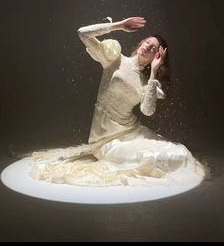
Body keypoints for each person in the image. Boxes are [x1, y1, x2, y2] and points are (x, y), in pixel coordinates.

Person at [30, 17, 205, 186]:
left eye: (153, 48)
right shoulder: (115, 59)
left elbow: (147, 111)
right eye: (147, 42)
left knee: (180, 154)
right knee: (151, 159)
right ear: (140, 43)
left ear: (156, 57)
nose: (148, 47)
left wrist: (153, 72)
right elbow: (82, 33)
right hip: (106, 140)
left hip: (133, 132)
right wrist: (119, 25)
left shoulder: (147, 83)